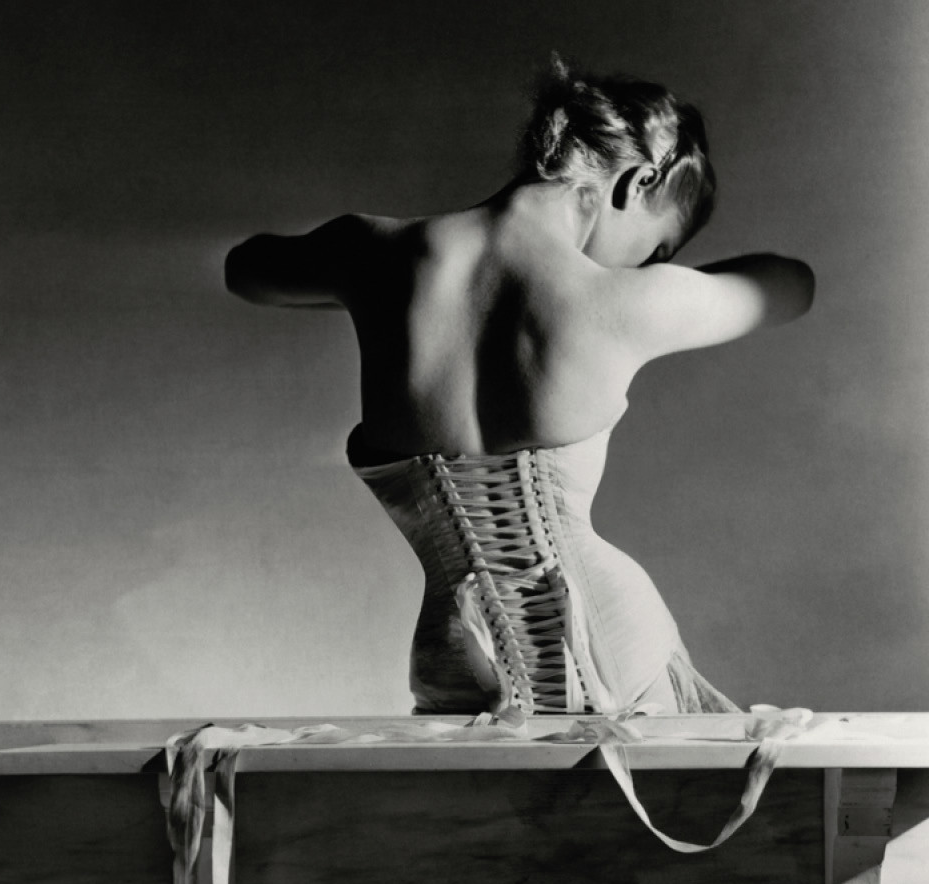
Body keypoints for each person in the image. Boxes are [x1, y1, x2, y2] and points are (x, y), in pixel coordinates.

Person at [224, 56, 814, 718]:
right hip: (610, 654)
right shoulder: (629, 303)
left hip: (452, 658)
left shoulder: (371, 256)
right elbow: (792, 282)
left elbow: (245, 269)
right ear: (640, 179)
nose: (649, 263)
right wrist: (663, 281)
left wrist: (359, 283)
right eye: (659, 246)